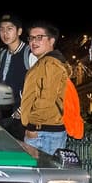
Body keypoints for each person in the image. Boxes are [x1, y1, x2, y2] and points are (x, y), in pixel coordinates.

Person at [18, 21, 70, 156]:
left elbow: (46, 99)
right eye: (31, 38)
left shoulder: (50, 63)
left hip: (44, 133)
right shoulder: (44, 62)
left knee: (40, 174)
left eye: (39, 37)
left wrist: (32, 127)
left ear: (51, 40)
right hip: (45, 130)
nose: (33, 42)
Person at [0, 13, 34, 138]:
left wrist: (23, 111)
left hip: (22, 119)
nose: (5, 33)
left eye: (9, 29)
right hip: (3, 117)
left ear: (19, 31)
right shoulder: (2, 55)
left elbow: (38, 87)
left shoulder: (29, 53)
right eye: (2, 29)